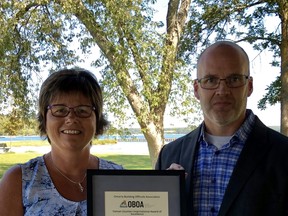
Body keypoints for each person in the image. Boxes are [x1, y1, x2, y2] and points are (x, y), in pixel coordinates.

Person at [155, 41, 288, 215]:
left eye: (234, 79)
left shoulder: (283, 154)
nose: (222, 90)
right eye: (211, 80)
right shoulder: (169, 155)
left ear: (249, 86)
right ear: (196, 89)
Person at [0, 68, 123, 215]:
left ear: (97, 120)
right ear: (44, 119)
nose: (71, 118)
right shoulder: (18, 181)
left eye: (82, 110)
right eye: (60, 110)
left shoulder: (118, 177)